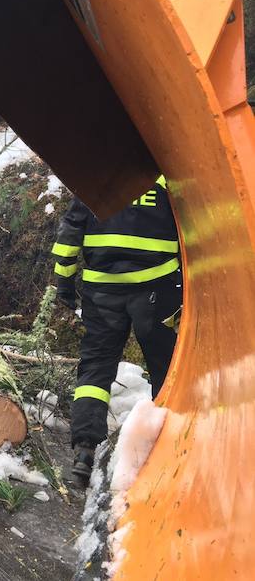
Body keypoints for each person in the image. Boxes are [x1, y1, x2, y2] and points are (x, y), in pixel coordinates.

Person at [51, 175, 181, 488]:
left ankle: (84, 450)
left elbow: (70, 233)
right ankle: (168, 451)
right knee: (166, 367)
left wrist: (64, 283)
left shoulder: (100, 174)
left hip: (102, 291)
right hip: (157, 288)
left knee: (95, 368)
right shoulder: (169, 177)